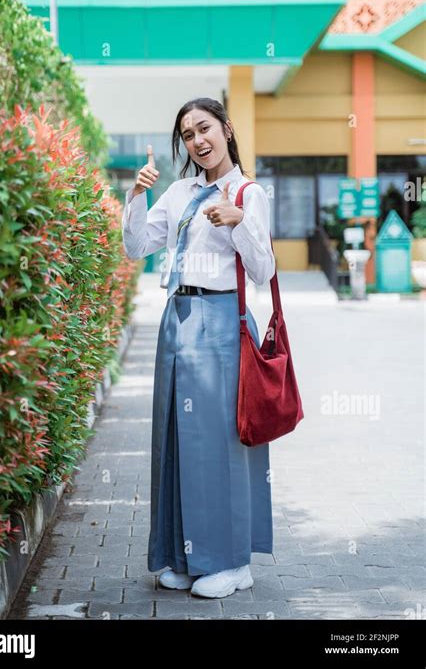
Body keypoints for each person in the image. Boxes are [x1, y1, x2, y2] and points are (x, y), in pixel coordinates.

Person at [121, 97, 276, 599]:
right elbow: (138, 246)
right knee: (176, 439)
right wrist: (136, 197)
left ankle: (232, 563)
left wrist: (239, 222)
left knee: (220, 443)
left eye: (204, 128)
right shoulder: (180, 190)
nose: (197, 141)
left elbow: (263, 271)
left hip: (222, 321)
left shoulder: (249, 192)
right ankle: (186, 556)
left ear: (227, 130)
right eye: (187, 135)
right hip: (178, 319)